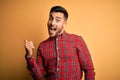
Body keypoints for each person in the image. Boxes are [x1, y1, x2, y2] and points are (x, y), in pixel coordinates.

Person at [24, 6, 95, 80]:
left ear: (64, 24)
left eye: (57, 20)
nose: (52, 23)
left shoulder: (77, 40)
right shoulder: (42, 46)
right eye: (50, 18)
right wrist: (29, 56)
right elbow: (38, 77)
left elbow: (89, 70)